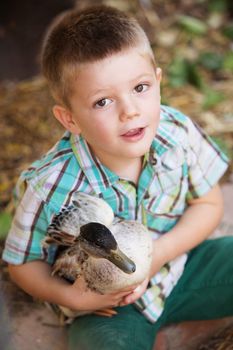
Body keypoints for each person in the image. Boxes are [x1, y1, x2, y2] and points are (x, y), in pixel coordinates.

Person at [2, 5, 232, 350]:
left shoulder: (177, 134)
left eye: (140, 88)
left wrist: (160, 253)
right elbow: (21, 264)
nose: (130, 111)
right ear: (70, 120)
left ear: (158, 80)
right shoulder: (50, 186)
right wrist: (75, 299)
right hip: (105, 306)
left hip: (180, 269)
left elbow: (209, 203)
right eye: (102, 102)